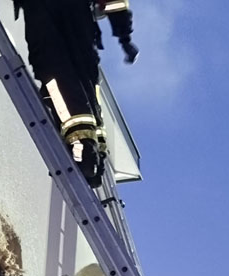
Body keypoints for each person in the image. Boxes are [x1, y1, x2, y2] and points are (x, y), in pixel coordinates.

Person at [13, 0, 138, 186]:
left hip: (43, 11)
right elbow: (115, 3)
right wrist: (125, 38)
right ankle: (95, 155)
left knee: (55, 76)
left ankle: (83, 151)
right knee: (85, 82)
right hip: (80, 17)